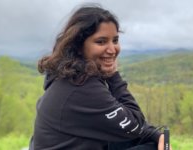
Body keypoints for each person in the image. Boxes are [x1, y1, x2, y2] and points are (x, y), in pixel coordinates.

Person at [29, 4, 171, 150]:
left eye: (115, 40)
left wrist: (157, 135)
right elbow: (133, 126)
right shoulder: (80, 86)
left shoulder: (71, 76)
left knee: (152, 142)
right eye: (101, 41)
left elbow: (122, 122)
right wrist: (113, 75)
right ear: (79, 45)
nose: (112, 50)